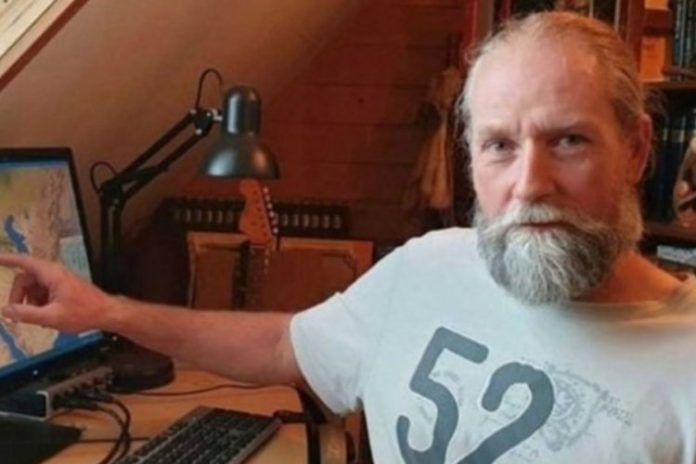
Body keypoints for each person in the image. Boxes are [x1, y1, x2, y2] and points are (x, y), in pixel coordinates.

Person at [1, 10, 694, 463]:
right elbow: (283, 345)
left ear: (636, 149)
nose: (529, 183)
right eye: (500, 146)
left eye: (568, 140)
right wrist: (105, 311)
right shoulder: (426, 269)